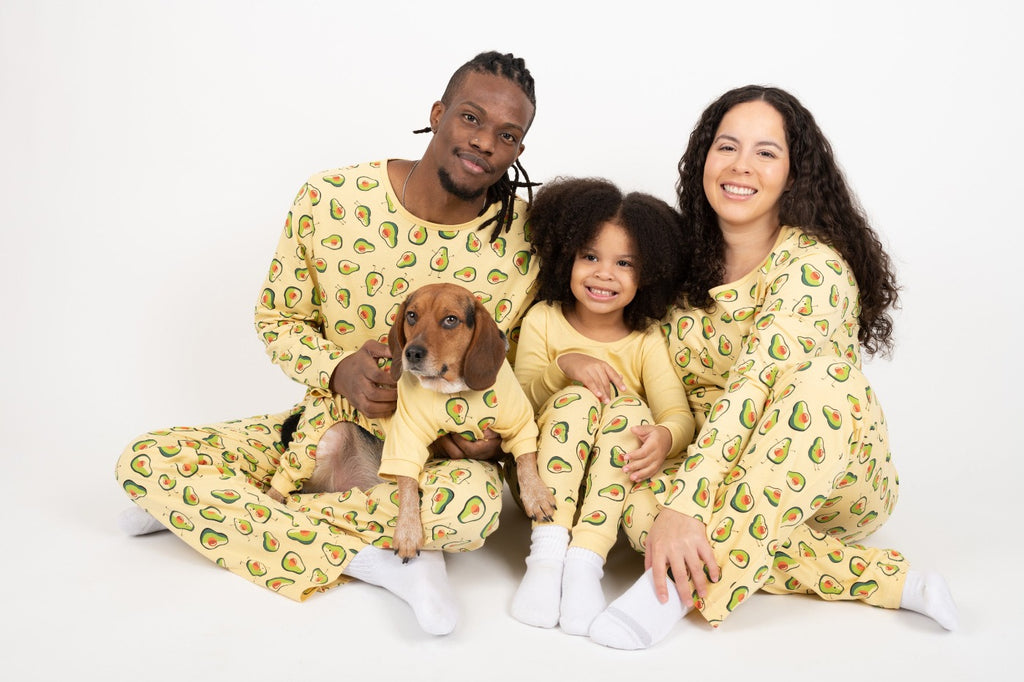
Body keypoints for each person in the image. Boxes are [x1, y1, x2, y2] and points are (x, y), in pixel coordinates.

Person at [114, 51, 540, 636]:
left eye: (507, 135)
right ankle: (384, 560)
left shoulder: (524, 240)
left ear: (518, 149)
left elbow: (521, 364)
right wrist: (338, 369)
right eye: (471, 117)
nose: (485, 142)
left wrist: (488, 439)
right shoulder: (331, 199)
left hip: (435, 461)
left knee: (474, 509)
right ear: (438, 114)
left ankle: (218, 513)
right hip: (321, 432)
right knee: (146, 460)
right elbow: (278, 317)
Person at [586, 85, 959, 650]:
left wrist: (686, 505)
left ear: (794, 173)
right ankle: (895, 582)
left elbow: (753, 386)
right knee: (638, 507)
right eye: (727, 147)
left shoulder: (814, 267)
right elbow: (637, 359)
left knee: (824, 383)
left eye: (766, 152)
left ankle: (674, 593)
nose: (741, 166)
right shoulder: (678, 258)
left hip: (825, 474)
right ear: (703, 158)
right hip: (715, 470)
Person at [508, 177, 695, 635]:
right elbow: (519, 406)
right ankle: (547, 557)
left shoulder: (646, 340)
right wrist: (564, 365)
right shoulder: (544, 320)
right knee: (577, 399)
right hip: (542, 485)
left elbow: (678, 416)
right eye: (590, 256)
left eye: (624, 263)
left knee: (630, 412)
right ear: (567, 257)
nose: (604, 273)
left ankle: (585, 561)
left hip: (614, 485)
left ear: (647, 274)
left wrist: (664, 437)